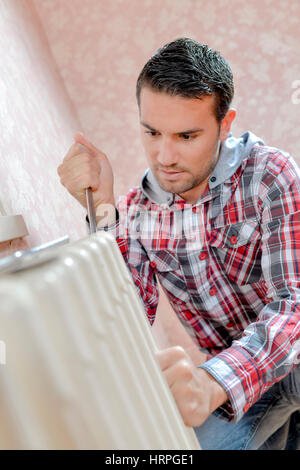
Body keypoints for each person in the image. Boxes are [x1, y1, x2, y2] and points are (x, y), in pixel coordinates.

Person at [57, 37, 300, 450]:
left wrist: (210, 382)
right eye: (152, 132)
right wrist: (102, 208)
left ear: (225, 125)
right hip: (236, 382)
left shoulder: (269, 175)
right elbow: (124, 314)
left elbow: (294, 305)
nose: (164, 155)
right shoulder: (135, 212)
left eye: (186, 136)